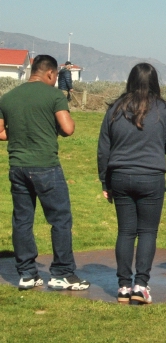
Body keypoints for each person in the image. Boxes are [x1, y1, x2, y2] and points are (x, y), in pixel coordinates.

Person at [0, 54, 89, 291]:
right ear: (50, 73)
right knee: (60, 219)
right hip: (46, 167)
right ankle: (62, 272)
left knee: (22, 220)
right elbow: (68, 128)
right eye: (56, 76)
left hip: (17, 167)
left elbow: (1, 133)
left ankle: (27, 274)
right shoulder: (53, 95)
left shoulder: (8, 97)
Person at [97, 63, 166, 305]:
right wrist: (156, 145)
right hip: (151, 177)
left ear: (130, 80)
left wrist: (105, 181)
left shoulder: (115, 109)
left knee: (125, 231)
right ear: (155, 82)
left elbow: (104, 148)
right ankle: (141, 285)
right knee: (147, 232)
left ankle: (123, 286)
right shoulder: (163, 109)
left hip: (120, 176)